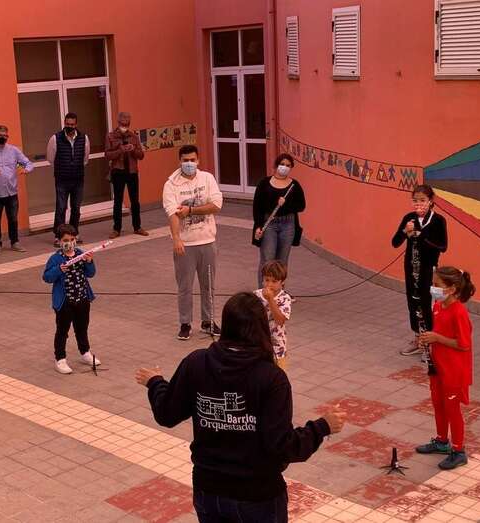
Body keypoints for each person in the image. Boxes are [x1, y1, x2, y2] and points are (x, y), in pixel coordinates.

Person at [136, 292, 345, 523]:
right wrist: (322, 427)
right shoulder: (271, 378)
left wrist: (155, 383)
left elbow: (166, 414)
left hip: (209, 492)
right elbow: (282, 447)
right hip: (258, 496)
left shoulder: (196, 363)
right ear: (261, 328)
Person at [415, 266, 475, 470]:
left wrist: (436, 338)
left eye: (437, 285)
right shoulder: (438, 306)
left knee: (452, 409)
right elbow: (438, 333)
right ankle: (441, 441)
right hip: (438, 366)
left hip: (454, 371)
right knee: (438, 404)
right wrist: (426, 339)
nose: (433, 288)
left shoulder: (459, 312)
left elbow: (463, 344)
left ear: (451, 289)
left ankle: (459, 451)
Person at [162, 145, 223, 341]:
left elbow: (216, 205)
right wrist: (176, 238)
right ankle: (185, 323)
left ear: (198, 160)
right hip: (186, 245)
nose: (189, 163)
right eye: (185, 160)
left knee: (208, 285)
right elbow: (172, 213)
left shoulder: (207, 178)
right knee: (185, 287)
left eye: (192, 160)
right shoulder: (171, 184)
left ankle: (208, 321)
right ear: (179, 161)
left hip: (207, 241)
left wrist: (190, 211)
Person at [392, 184, 448, 356]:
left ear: (430, 201)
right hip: (411, 268)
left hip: (428, 269)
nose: (419, 204)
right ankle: (418, 339)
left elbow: (442, 246)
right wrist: (405, 231)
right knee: (413, 302)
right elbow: (395, 242)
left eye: (422, 200)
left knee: (427, 304)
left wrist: (421, 235)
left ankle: (429, 344)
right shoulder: (409, 218)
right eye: (415, 201)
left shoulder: (438, 220)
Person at [42, 224, 101, 375]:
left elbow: (91, 274)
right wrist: (58, 270)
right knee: (62, 331)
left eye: (72, 239)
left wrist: (89, 262)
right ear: (59, 241)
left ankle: (85, 352)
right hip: (65, 302)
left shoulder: (81, 254)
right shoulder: (55, 258)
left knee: (82, 328)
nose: (70, 243)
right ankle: (60, 359)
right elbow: (46, 277)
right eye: (66, 240)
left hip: (82, 299)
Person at [0, 125, 34, 255]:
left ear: (7, 136)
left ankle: (15, 242)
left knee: (13, 219)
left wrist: (26, 170)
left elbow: (28, 163)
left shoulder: (14, 150)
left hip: (11, 192)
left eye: (4, 135)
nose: (2, 137)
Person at [252, 154, 306, 288]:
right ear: (276, 166)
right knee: (267, 259)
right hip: (269, 224)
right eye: (282, 164)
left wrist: (286, 204)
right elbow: (257, 206)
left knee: (282, 261)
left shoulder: (294, 185)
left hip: (288, 224)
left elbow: (301, 205)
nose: (284, 167)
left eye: (288, 165)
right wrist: (258, 226)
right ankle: (263, 291)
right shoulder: (264, 183)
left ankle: (279, 291)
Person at [47, 113, 90, 247]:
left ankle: (74, 234)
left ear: (76, 124)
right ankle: (58, 236)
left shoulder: (84, 138)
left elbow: (85, 159)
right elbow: (50, 158)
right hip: (62, 180)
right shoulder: (55, 138)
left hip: (78, 179)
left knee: (76, 208)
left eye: (72, 124)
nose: (69, 126)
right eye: (67, 124)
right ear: (64, 123)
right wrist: (63, 169)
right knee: (61, 208)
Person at [105, 112, 148, 238]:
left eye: (127, 123)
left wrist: (133, 149)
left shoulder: (134, 136)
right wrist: (120, 150)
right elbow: (107, 155)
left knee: (135, 201)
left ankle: (137, 227)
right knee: (118, 201)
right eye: (123, 123)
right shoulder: (110, 136)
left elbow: (141, 155)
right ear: (118, 122)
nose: (125, 126)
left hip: (132, 172)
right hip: (118, 171)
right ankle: (116, 229)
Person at [254, 260, 292, 370]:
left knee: (279, 373)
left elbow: (280, 321)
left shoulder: (285, 298)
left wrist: (270, 300)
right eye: (267, 280)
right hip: (258, 345)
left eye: (274, 281)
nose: (269, 284)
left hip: (277, 347)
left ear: (282, 282)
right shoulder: (256, 295)